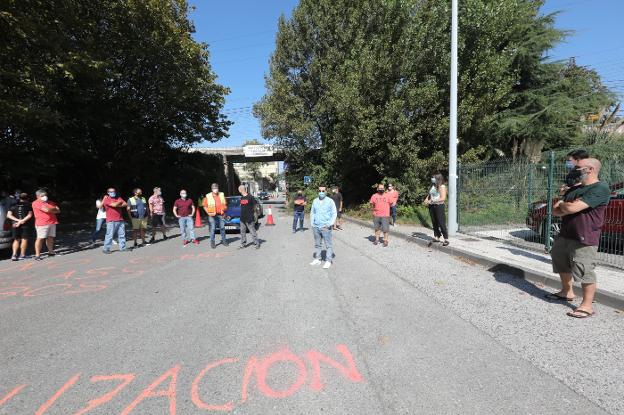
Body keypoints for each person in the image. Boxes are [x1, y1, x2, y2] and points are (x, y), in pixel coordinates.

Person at [547, 158, 611, 319]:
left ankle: (587, 305)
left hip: (585, 236)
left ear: (589, 169)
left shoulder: (600, 188)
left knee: (584, 269)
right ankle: (566, 292)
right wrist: (565, 204)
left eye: (577, 167)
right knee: (560, 261)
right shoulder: (575, 189)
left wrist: (566, 205)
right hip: (566, 234)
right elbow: (555, 211)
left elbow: (572, 207)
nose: (574, 170)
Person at [310, 185, 337, 269]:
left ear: (326, 191)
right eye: (320, 191)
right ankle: (318, 258)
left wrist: (329, 224)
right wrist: (312, 223)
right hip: (316, 226)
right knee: (317, 244)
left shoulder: (330, 201)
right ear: (318, 191)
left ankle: (328, 260)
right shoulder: (315, 201)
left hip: (325, 227)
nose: (321, 192)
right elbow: (312, 212)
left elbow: (334, 213)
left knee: (328, 245)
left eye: (323, 191)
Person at [31, 189, 60, 260]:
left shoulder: (50, 202)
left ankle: (51, 252)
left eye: (45, 195)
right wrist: (53, 209)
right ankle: (37, 255)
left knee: (50, 237)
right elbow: (46, 210)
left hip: (52, 222)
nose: (45, 197)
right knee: (40, 238)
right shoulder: (36, 203)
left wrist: (51, 209)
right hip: (42, 223)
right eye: (42, 196)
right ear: (37, 196)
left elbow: (58, 210)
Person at [424, 174, 449, 246]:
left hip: (439, 206)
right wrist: (426, 200)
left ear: (438, 179)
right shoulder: (433, 186)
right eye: (432, 178)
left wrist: (432, 201)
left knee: (441, 222)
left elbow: (443, 198)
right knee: (434, 222)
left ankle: (446, 239)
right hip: (431, 206)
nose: (432, 179)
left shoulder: (442, 186)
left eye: (434, 178)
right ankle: (437, 236)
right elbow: (429, 195)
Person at [7, 193, 33, 260]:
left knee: (16, 240)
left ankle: (14, 255)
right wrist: (21, 221)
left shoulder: (13, 205)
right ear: (27, 198)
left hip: (15, 224)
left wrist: (17, 221)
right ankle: (22, 255)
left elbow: (9, 215)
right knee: (24, 239)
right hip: (25, 224)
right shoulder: (28, 205)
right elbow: (29, 215)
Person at [102, 187, 127, 254]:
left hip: (120, 219)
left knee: (122, 235)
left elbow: (125, 204)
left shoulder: (118, 198)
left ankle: (123, 248)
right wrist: (119, 203)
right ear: (108, 193)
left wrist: (117, 204)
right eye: (111, 191)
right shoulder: (106, 200)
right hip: (111, 220)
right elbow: (115, 205)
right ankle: (106, 249)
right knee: (109, 235)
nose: (113, 193)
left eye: (114, 191)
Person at [203, 183, 228, 249]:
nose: (215, 189)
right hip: (212, 215)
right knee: (213, 229)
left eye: (216, 188)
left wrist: (224, 210)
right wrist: (208, 213)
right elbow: (205, 206)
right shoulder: (208, 196)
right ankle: (212, 242)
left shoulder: (221, 195)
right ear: (212, 189)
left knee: (222, 228)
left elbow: (225, 204)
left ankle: (224, 241)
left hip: (221, 214)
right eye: (214, 188)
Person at [238, 185, 260, 249]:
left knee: (252, 231)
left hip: (249, 218)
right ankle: (243, 243)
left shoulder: (250, 197)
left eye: (239, 190)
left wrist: (253, 214)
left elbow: (255, 206)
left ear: (241, 190)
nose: (239, 191)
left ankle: (256, 243)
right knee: (242, 231)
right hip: (242, 218)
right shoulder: (242, 198)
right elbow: (242, 207)